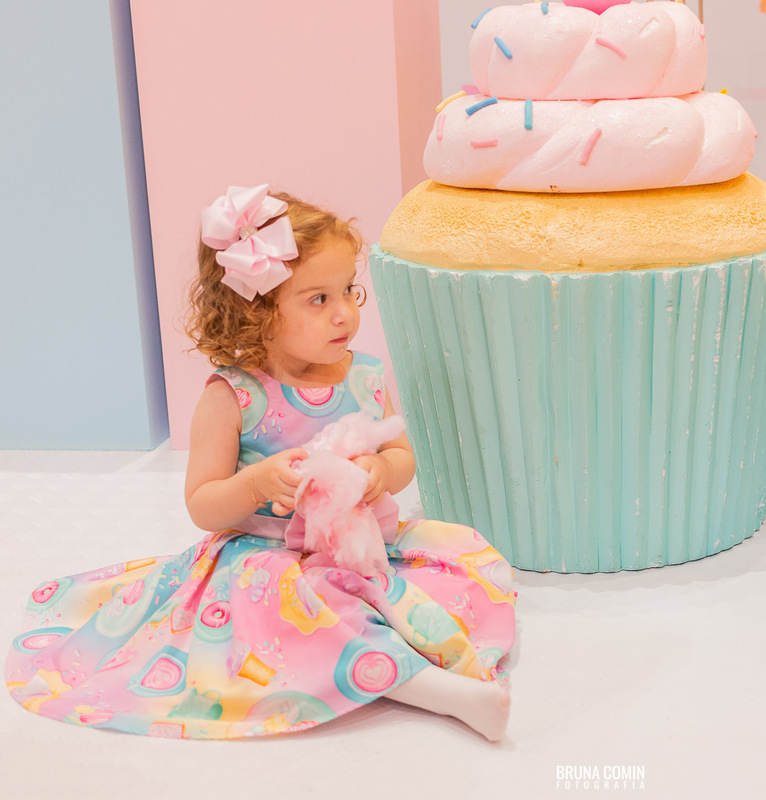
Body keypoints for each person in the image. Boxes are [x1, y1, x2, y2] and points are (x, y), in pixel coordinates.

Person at [6, 186, 515, 741]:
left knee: (458, 565)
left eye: (349, 291)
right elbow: (203, 503)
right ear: (258, 313)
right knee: (310, 619)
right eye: (318, 299)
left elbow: (400, 457)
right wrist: (255, 483)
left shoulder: (362, 375)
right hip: (268, 558)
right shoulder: (235, 396)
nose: (344, 313)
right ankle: (444, 694)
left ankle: (438, 660)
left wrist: (379, 474)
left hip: (364, 548)